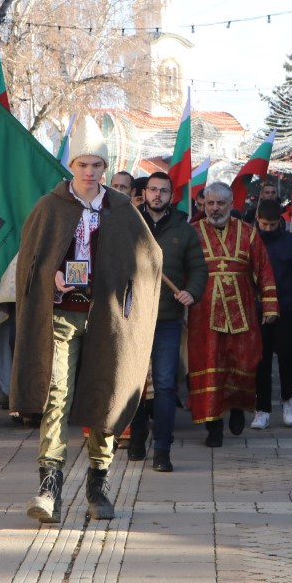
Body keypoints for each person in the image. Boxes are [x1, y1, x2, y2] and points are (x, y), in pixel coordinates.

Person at [11, 117, 162, 523]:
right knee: (57, 394)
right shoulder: (50, 207)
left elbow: (149, 260)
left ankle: (99, 483)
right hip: (62, 316)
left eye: (97, 165)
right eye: (83, 164)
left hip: (106, 321)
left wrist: (122, 287)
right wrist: (51, 276)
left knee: (104, 394)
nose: (90, 172)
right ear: (71, 166)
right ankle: (49, 487)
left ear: (105, 168)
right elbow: (29, 262)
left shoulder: (122, 208)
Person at [127, 171, 207, 472]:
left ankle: (162, 449)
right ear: (144, 193)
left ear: (171, 196)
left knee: (164, 385)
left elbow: (199, 269)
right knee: (133, 383)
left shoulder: (184, 231)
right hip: (132, 317)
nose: (157, 195)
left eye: (163, 191)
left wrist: (191, 292)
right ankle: (136, 436)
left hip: (167, 319)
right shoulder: (129, 225)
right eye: (153, 190)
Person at [189, 182, 278, 447]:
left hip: (242, 309)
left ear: (231, 205)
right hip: (204, 314)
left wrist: (271, 305)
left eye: (221, 204)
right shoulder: (191, 233)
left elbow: (264, 270)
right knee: (208, 366)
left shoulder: (249, 233)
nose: (215, 209)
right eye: (210, 203)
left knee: (243, 362)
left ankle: (238, 407)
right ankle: (212, 425)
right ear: (203, 205)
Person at [253, 200, 292, 429]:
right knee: (261, 361)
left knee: (288, 356)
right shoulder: (251, 240)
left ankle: (288, 399)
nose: (268, 229)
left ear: (280, 221)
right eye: (264, 224)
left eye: (272, 225)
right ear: (257, 220)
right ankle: (262, 408)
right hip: (258, 308)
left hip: (287, 307)